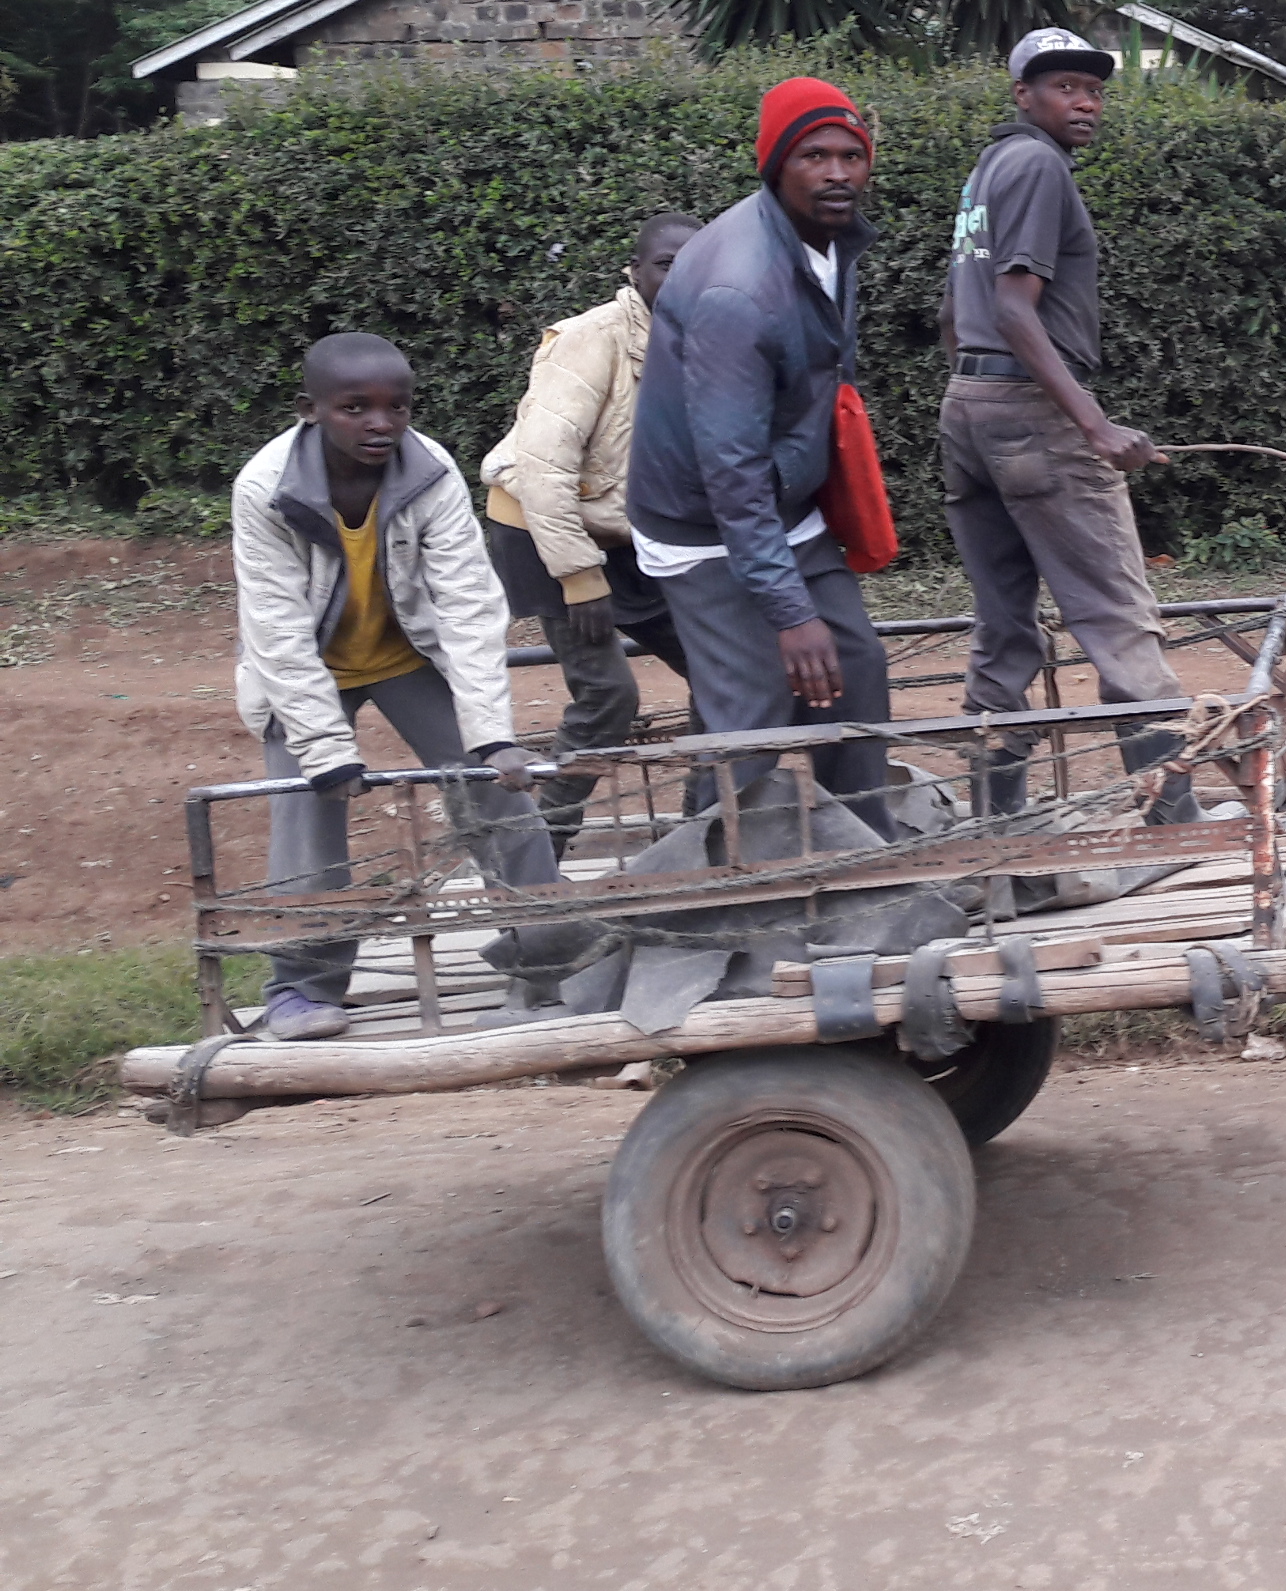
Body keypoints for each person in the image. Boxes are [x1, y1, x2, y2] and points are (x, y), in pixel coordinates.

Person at [231, 333, 555, 1040]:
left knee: (501, 798)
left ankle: (551, 962)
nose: (380, 424)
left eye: (397, 407)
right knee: (309, 825)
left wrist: (491, 736)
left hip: (407, 654)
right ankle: (301, 989)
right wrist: (326, 752)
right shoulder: (265, 488)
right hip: (307, 668)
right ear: (311, 410)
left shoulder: (429, 471)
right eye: (355, 408)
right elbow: (276, 628)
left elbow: (468, 603)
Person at [939, 26, 1206, 821]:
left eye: (1093, 89)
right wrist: (1093, 427)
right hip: (1033, 414)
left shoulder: (988, 170)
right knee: (1117, 614)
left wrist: (979, 403)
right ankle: (1171, 814)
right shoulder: (1038, 165)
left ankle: (997, 822)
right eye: (1064, 87)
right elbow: (1013, 309)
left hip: (970, 407)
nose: (1085, 102)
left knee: (1003, 624)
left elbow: (955, 314)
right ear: (1023, 94)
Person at [626, 78, 892, 831]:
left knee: (856, 667)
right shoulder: (738, 291)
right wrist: (790, 612)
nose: (837, 173)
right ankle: (720, 872)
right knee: (755, 710)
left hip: (784, 503)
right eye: (814, 156)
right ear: (776, 164)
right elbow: (730, 471)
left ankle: (864, 848)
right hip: (702, 523)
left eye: (851, 155)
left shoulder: (829, 241)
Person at [480, 211, 702, 850]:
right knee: (608, 695)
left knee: (726, 671)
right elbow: (543, 469)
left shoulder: (709, 337)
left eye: (694, 264)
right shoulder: (589, 338)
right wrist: (580, 579)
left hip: (630, 533)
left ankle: (704, 823)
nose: (680, 277)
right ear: (634, 272)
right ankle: (544, 838)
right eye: (665, 264)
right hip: (545, 531)